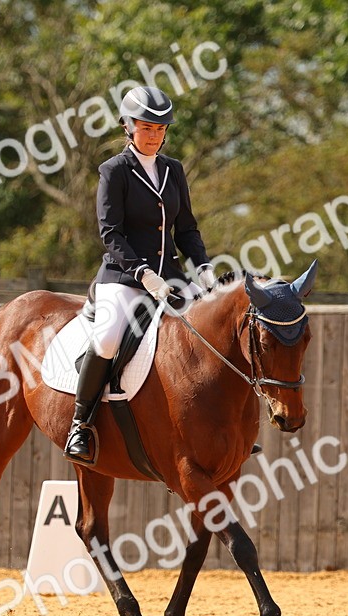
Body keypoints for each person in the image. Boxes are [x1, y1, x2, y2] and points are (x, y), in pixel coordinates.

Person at [64, 85, 218, 465]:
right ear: (128, 127)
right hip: (124, 276)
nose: (154, 136)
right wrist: (143, 272)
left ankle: (219, 426)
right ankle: (80, 425)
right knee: (108, 339)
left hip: (173, 276)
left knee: (210, 333)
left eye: (161, 130)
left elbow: (186, 229)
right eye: (147, 128)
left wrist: (203, 266)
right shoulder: (114, 171)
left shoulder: (174, 170)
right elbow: (110, 232)